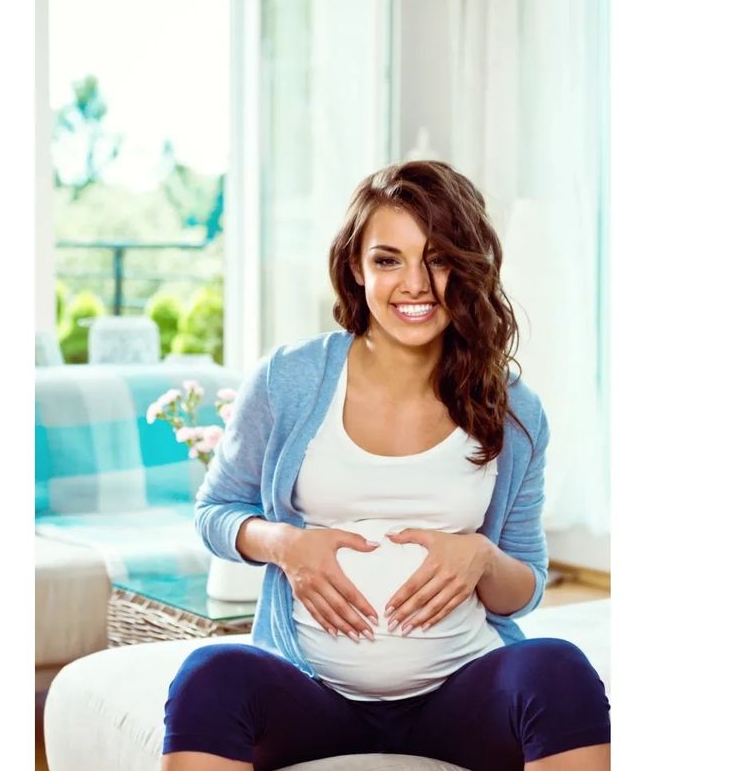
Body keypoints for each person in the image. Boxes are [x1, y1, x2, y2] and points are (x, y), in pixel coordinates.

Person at [161, 161, 611, 771]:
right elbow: (216, 512)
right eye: (388, 259)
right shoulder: (288, 380)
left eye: (440, 258)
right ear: (356, 268)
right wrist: (286, 545)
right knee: (210, 673)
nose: (416, 284)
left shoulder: (511, 408)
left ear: (469, 268)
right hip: (314, 694)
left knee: (559, 667)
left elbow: (525, 585)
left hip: (459, 692)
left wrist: (480, 556)